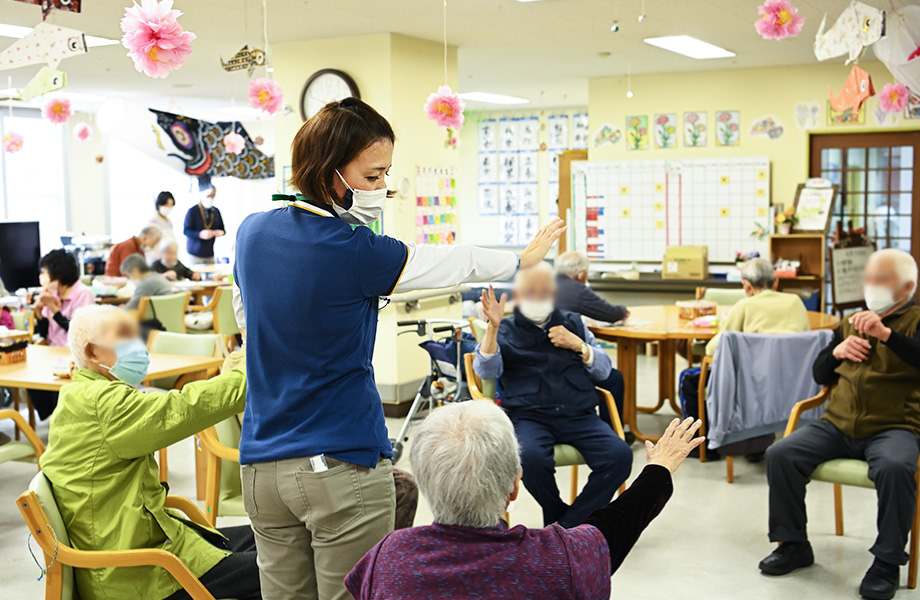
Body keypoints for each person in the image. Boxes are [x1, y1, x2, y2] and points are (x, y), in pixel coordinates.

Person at [233, 97, 565, 600]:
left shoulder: (252, 232)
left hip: (260, 468)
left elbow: (245, 315)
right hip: (337, 464)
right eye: (371, 177)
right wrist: (520, 257)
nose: (382, 188)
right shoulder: (353, 248)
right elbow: (447, 263)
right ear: (328, 173)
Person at [345, 401, 704, 599]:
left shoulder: (390, 557)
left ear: (425, 482)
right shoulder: (559, 559)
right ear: (514, 487)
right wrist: (659, 467)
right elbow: (620, 522)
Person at [40, 305, 261, 600]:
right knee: (285, 563)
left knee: (278, 537)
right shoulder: (103, 404)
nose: (138, 344)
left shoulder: (80, 395)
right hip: (139, 573)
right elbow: (184, 409)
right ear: (93, 353)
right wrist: (257, 365)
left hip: (146, 546)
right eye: (123, 335)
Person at [761, 249, 920, 600]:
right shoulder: (848, 322)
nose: (871, 285)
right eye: (869, 278)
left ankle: (886, 562)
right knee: (781, 454)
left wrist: (887, 336)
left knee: (896, 467)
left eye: (882, 279)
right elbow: (820, 374)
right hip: (836, 423)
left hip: (895, 426)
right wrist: (836, 352)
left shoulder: (915, 321)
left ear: (907, 287)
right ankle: (793, 544)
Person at [474, 262, 632, 528]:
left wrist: (579, 345)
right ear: (519, 295)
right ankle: (558, 512)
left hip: (579, 414)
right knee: (529, 459)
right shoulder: (505, 329)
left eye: (544, 290)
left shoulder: (574, 323)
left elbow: (605, 372)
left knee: (620, 457)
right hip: (530, 417)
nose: (538, 295)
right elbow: (487, 370)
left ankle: (565, 524)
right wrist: (492, 327)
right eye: (530, 290)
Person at [680, 258, 810, 430]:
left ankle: (701, 444)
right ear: (776, 282)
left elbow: (713, 349)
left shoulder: (744, 306)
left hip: (751, 384)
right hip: (791, 381)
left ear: (747, 286)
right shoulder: (796, 303)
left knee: (688, 379)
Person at [554, 250, 629, 436]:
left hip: (536, 360)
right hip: (565, 362)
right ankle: (612, 432)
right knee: (614, 379)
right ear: (581, 275)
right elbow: (612, 313)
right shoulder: (576, 288)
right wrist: (624, 311)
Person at [28, 249, 95, 419]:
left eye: (45, 271)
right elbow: (44, 332)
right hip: (52, 350)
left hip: (74, 354)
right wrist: (38, 312)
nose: (42, 276)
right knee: (30, 373)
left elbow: (78, 330)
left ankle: (59, 415)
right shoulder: (53, 293)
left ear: (57, 273)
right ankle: (50, 414)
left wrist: (53, 309)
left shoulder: (82, 293)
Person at [184, 177, 225, 265]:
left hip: (209, 253)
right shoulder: (192, 211)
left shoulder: (216, 211)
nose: (210, 198)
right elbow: (186, 231)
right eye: (208, 196)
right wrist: (199, 234)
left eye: (213, 196)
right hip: (195, 254)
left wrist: (219, 232)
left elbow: (223, 229)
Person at [147, 191, 178, 255]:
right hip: (158, 255)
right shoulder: (153, 221)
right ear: (159, 205)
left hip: (169, 254)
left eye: (171, 205)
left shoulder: (169, 221)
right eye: (167, 205)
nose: (169, 208)